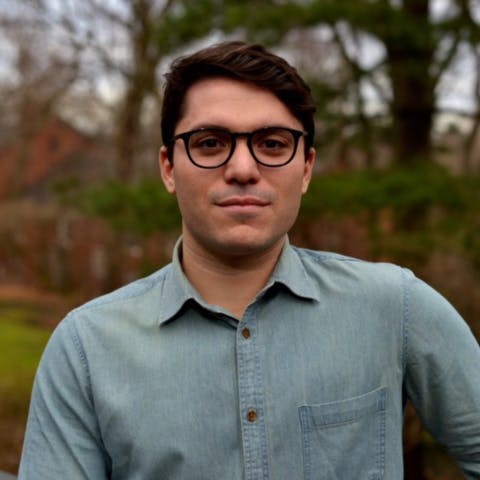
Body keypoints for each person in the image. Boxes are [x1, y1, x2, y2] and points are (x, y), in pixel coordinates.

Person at [18, 41, 480, 480]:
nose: (242, 169)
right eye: (211, 143)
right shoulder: (85, 350)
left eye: (274, 144)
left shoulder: (396, 308)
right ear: (168, 168)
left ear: (306, 168)